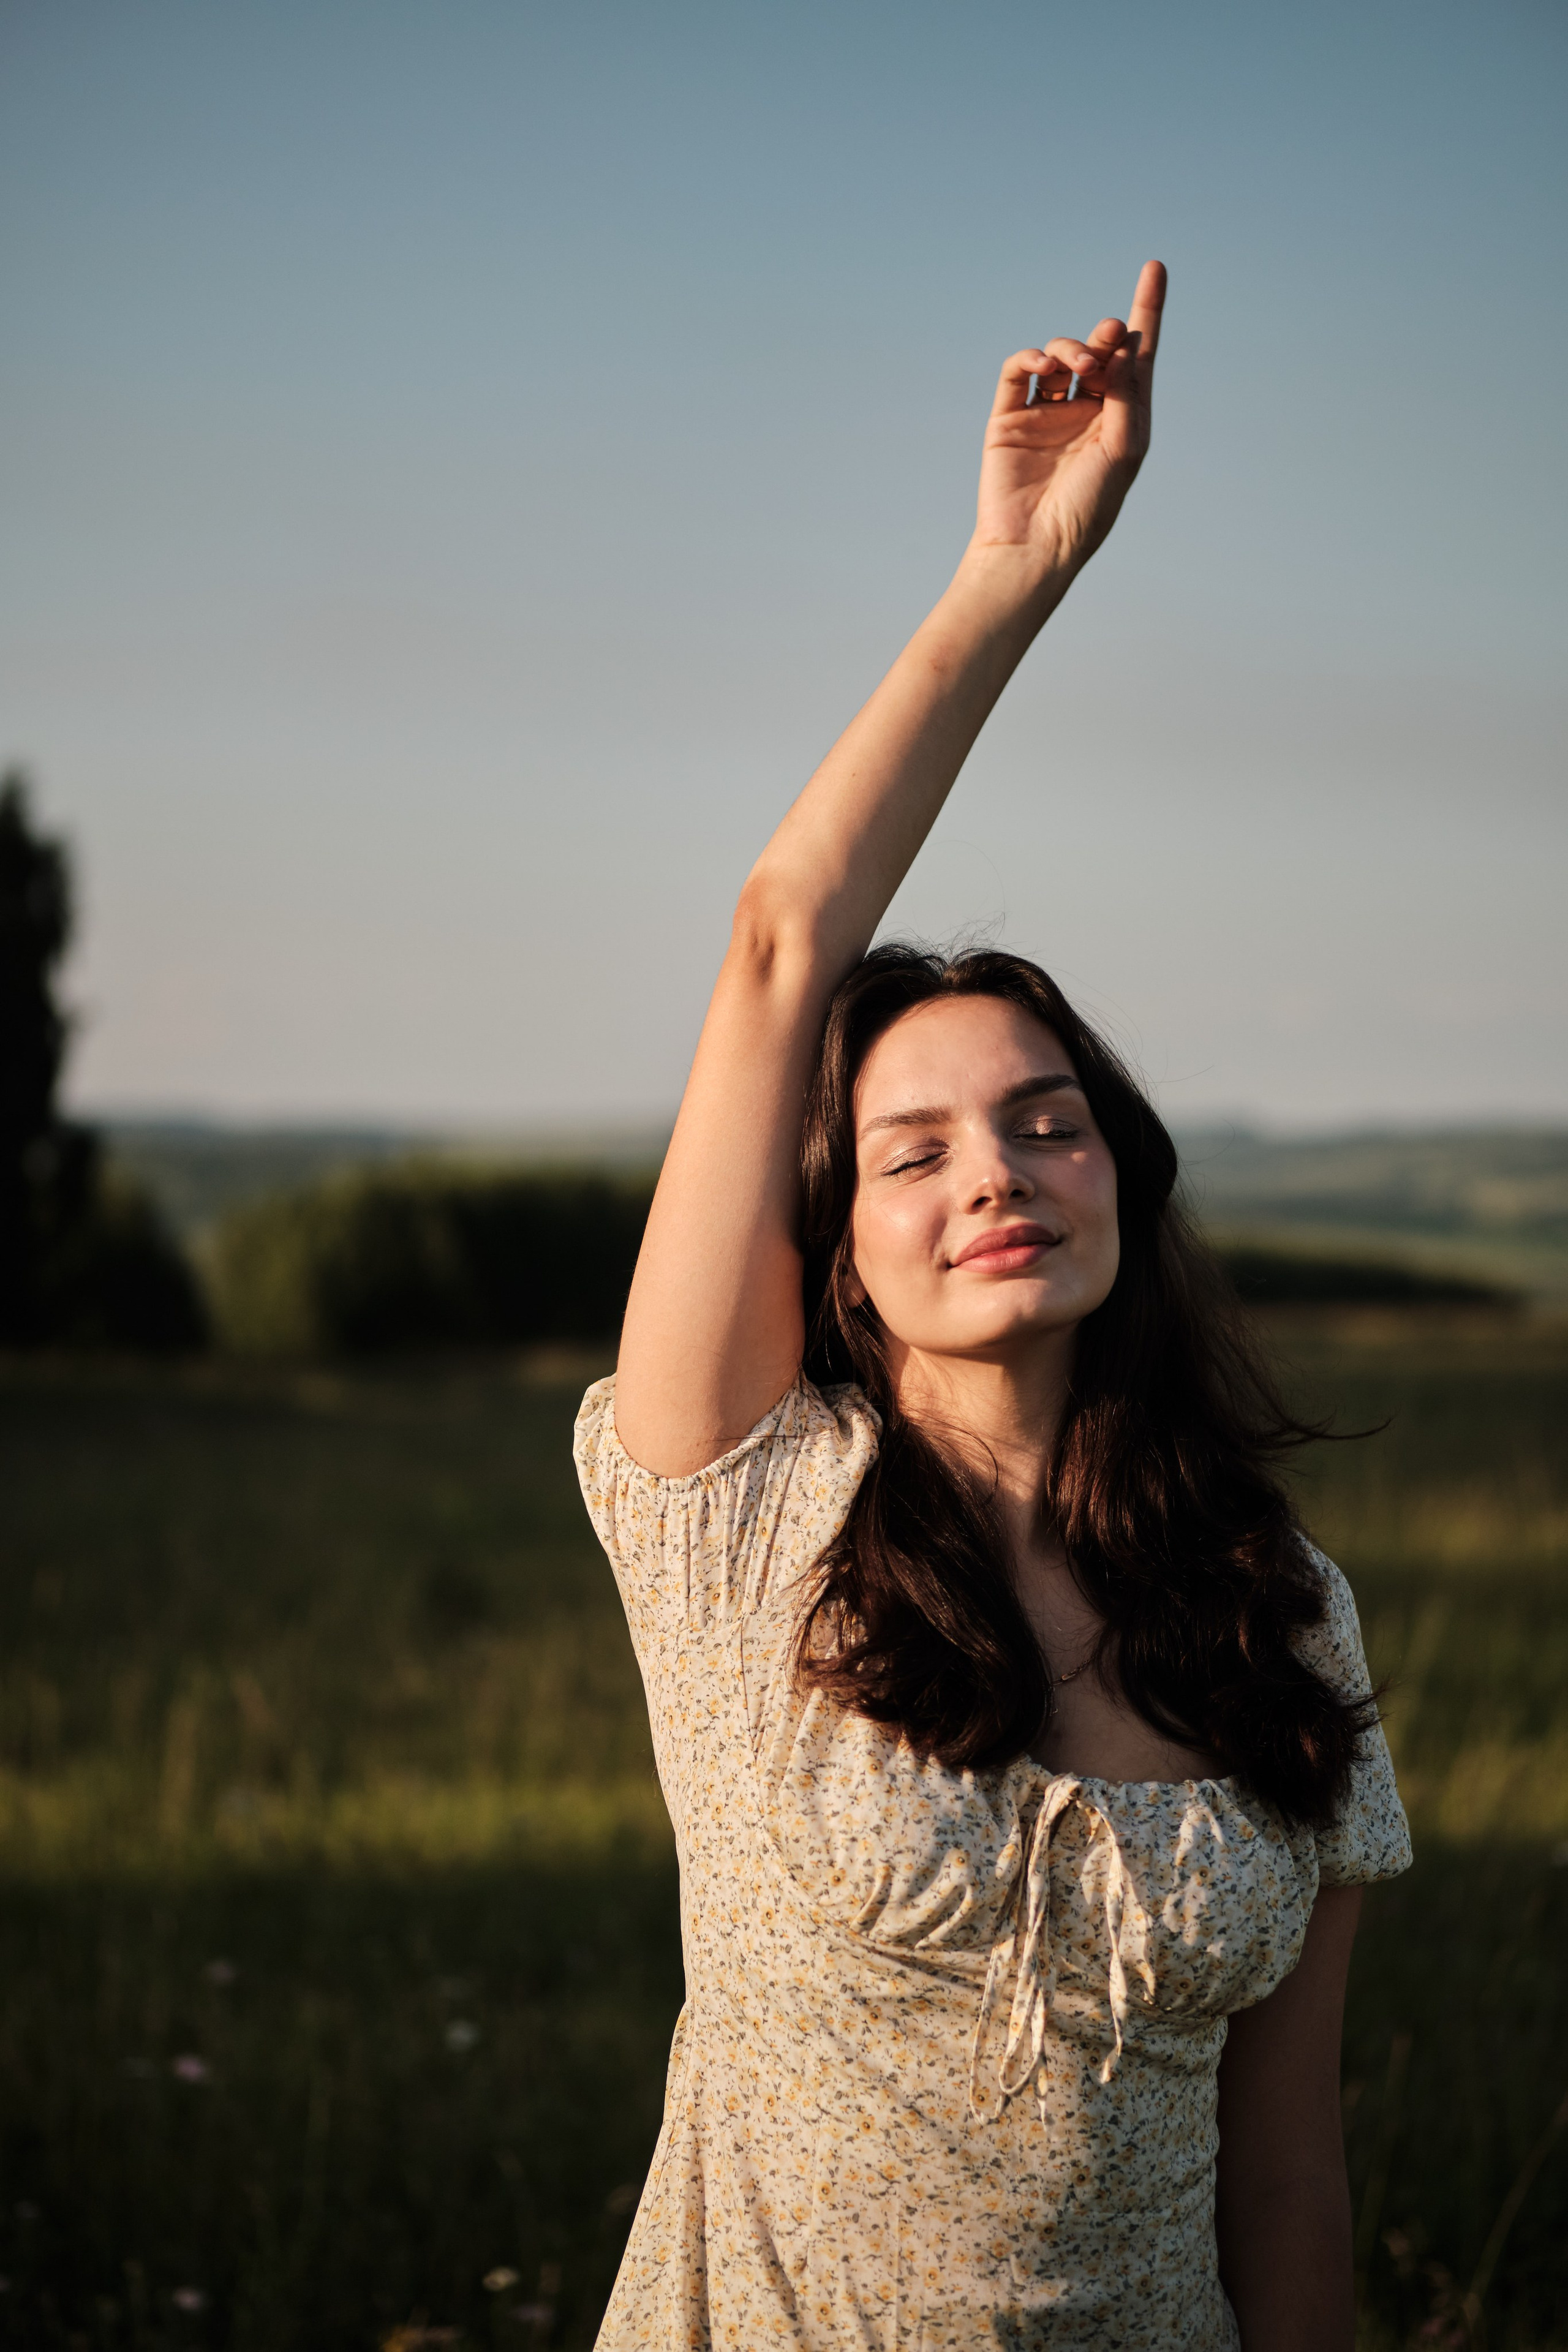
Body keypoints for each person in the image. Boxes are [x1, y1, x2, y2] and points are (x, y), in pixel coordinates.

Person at [575, 260, 1411, 2352]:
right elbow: (784, 941)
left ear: (1120, 1164)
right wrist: (1019, 569)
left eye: (1045, 1122)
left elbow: (1293, 2178)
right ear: (828, 1247)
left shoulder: (1281, 1606)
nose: (996, 1177)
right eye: (913, 1151)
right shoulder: (741, 1516)